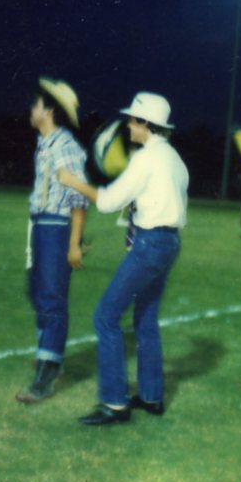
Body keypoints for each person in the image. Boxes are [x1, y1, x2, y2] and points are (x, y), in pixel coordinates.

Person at [58, 92, 188, 425]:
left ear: (146, 123)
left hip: (150, 243)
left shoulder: (145, 159)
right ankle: (151, 396)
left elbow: (107, 202)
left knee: (105, 317)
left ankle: (115, 403)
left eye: (132, 120)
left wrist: (73, 182)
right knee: (146, 318)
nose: (128, 125)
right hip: (169, 243)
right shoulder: (174, 159)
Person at [15, 77, 89, 404]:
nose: (31, 110)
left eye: (35, 105)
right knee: (35, 292)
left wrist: (74, 243)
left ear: (48, 111)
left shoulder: (65, 146)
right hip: (40, 226)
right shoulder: (45, 144)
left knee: (52, 299)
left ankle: (46, 374)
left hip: (56, 227)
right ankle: (49, 354)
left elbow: (79, 198)